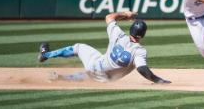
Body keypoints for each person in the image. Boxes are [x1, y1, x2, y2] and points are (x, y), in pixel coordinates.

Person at [38, 11, 171, 84]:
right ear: (143, 35)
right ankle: (60, 78)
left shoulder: (118, 34)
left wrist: (125, 14)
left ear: (130, 30)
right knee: (89, 76)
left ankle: (47, 55)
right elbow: (142, 69)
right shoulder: (139, 51)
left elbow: (109, 17)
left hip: (95, 64)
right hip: (104, 79)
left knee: (79, 47)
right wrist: (158, 80)